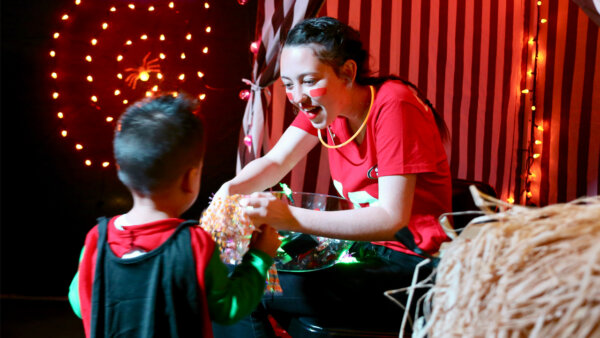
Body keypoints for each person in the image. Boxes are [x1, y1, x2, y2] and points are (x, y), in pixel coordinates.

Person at [212, 16, 452, 336]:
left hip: (413, 263)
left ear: (348, 73)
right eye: (289, 84)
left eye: (309, 80)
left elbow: (392, 218)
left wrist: (290, 218)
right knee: (231, 261)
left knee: (246, 282)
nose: (298, 96)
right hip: (361, 249)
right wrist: (230, 189)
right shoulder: (327, 107)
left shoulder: (393, 104)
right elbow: (276, 161)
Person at [68, 94, 281, 338]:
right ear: (190, 178)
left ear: (121, 170)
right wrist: (259, 257)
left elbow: (79, 303)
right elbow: (228, 308)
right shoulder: (194, 244)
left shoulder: (97, 239)